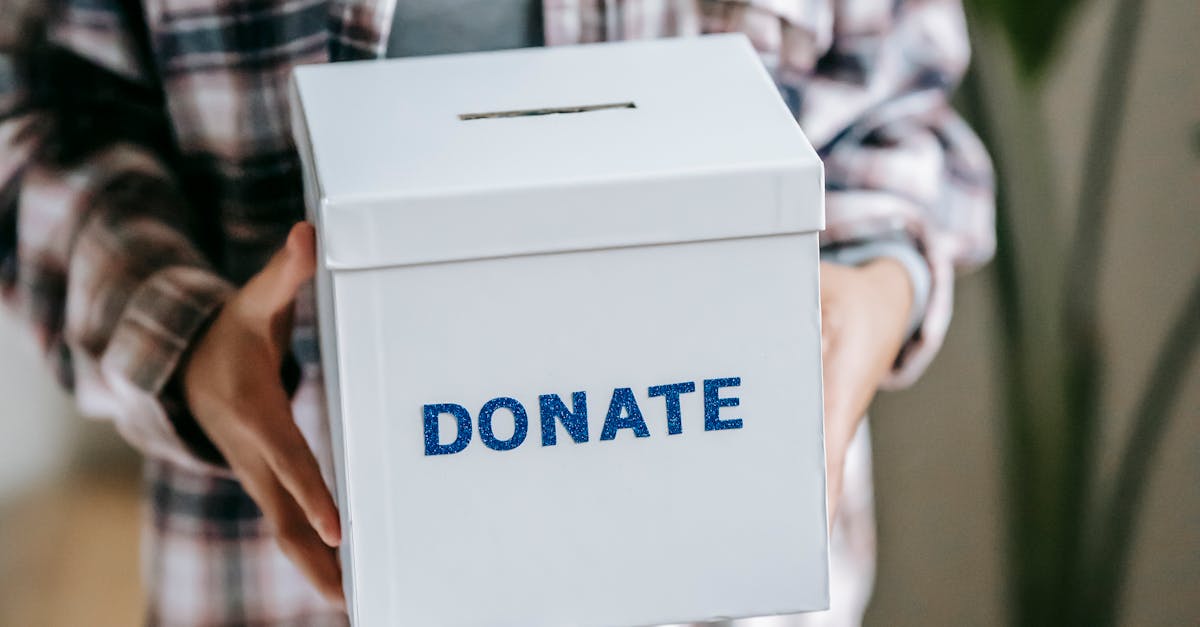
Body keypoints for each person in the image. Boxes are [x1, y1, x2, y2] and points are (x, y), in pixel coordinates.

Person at [0, 0, 994, 624]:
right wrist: (181, 335)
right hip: (285, 574)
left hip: (732, 591)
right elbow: (44, 113)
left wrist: (874, 290)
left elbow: (899, 103)